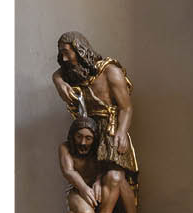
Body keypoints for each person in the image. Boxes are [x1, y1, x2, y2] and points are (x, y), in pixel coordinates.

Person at [53, 31, 140, 185]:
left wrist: (122, 131)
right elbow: (58, 73)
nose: (64, 59)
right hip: (88, 134)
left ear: (80, 51)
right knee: (90, 179)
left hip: (110, 131)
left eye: (67, 53)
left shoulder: (109, 71)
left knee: (114, 178)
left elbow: (126, 108)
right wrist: (58, 81)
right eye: (61, 54)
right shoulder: (76, 73)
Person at [59, 116, 140, 213]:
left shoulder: (99, 148)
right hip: (78, 190)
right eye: (79, 136)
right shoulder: (65, 148)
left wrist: (97, 181)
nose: (83, 142)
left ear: (94, 138)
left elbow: (104, 168)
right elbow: (68, 171)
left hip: (99, 190)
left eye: (88, 138)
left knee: (117, 176)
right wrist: (83, 188)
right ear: (72, 135)